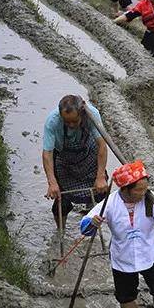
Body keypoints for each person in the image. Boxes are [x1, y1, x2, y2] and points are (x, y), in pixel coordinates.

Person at [80, 161, 154, 308]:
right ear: (125, 190)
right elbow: (85, 228)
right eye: (139, 190)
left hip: (152, 253)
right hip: (123, 257)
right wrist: (92, 223)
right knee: (125, 298)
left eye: (145, 188)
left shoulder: (151, 198)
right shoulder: (110, 203)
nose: (144, 193)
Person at [43, 95, 109, 229]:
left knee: (101, 192)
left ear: (81, 114)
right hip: (64, 159)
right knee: (62, 200)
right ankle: (60, 232)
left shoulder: (92, 114)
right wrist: (52, 182)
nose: (71, 125)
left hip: (88, 153)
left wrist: (100, 176)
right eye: (67, 122)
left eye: (74, 121)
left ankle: (93, 220)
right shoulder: (52, 121)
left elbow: (102, 145)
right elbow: (47, 153)